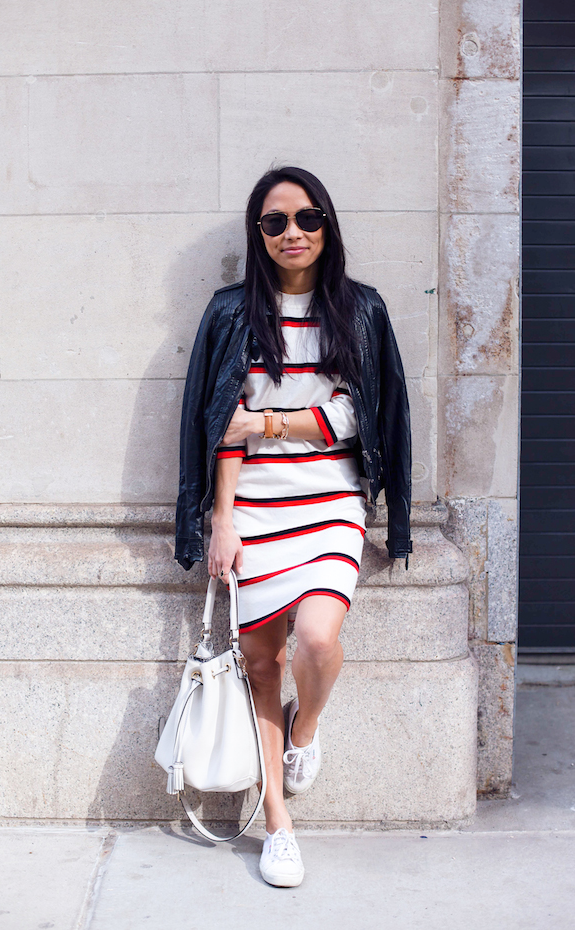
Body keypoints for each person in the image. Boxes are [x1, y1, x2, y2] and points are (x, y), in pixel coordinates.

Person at [175, 166, 412, 886]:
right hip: (253, 509)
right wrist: (220, 521)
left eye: (307, 219)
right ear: (258, 234)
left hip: (331, 504)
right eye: (275, 222)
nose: (293, 233)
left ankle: (304, 729)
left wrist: (273, 420)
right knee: (260, 665)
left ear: (327, 226)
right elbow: (222, 428)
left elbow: (358, 416)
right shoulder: (229, 313)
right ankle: (277, 819)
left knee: (317, 640)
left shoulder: (360, 310)